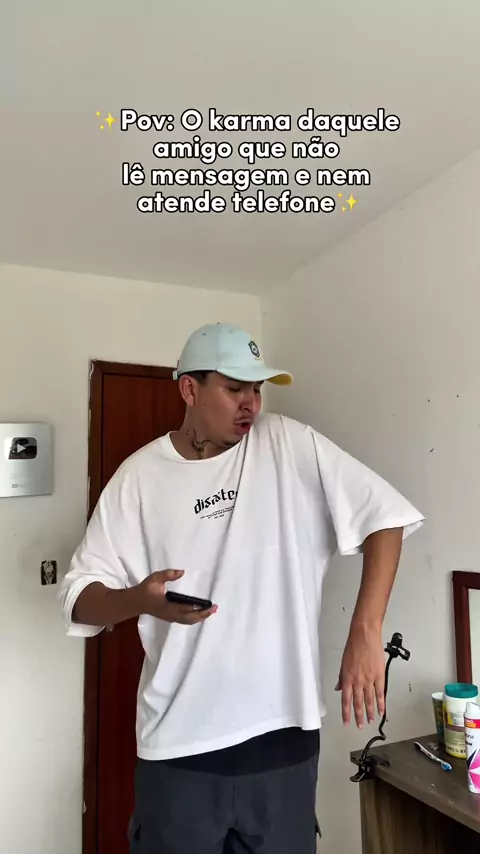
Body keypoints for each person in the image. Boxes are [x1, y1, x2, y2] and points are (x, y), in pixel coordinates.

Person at [60, 322, 424, 854]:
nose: (250, 403)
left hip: (285, 740)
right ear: (189, 389)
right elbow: (78, 598)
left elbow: (385, 518)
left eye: (257, 388)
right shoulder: (138, 478)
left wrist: (366, 632)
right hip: (179, 749)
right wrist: (139, 600)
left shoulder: (288, 444)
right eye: (234, 388)